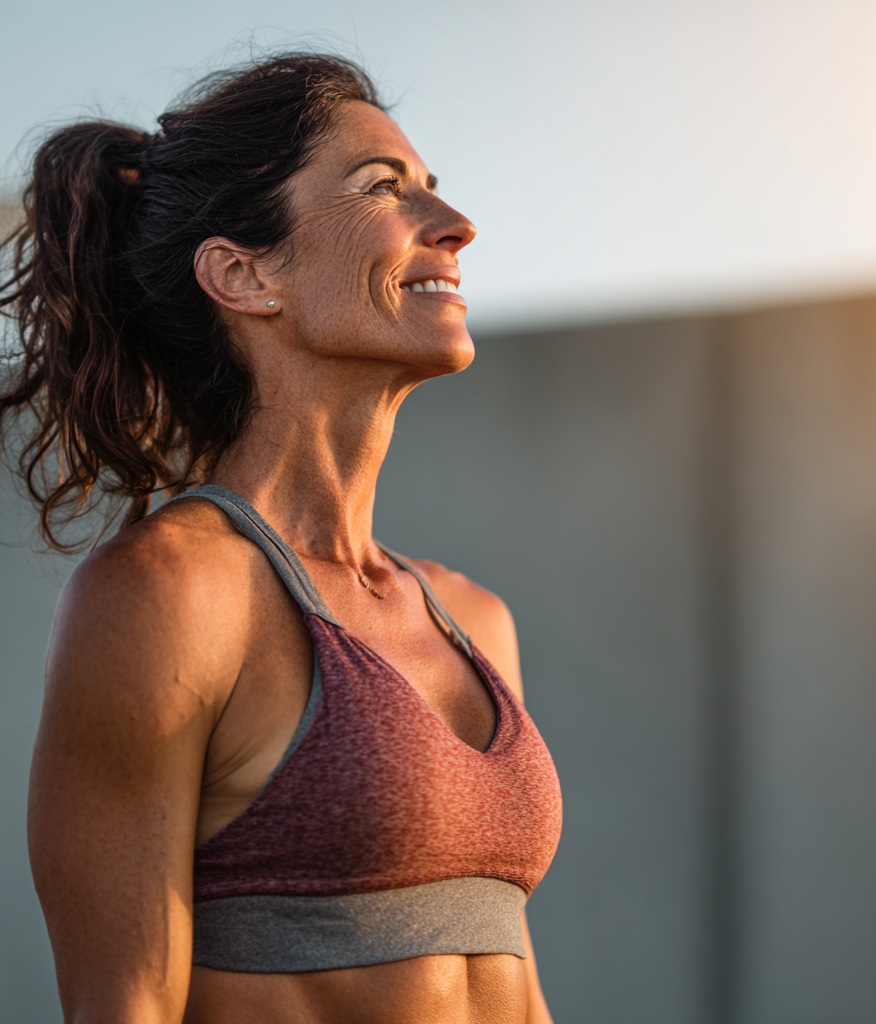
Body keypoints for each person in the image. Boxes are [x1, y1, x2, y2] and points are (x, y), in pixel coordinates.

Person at [0, 53, 562, 1024]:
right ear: (243, 273)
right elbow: (120, 1006)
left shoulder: (473, 618)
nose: (455, 223)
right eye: (384, 187)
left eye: (431, 186)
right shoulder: (168, 594)